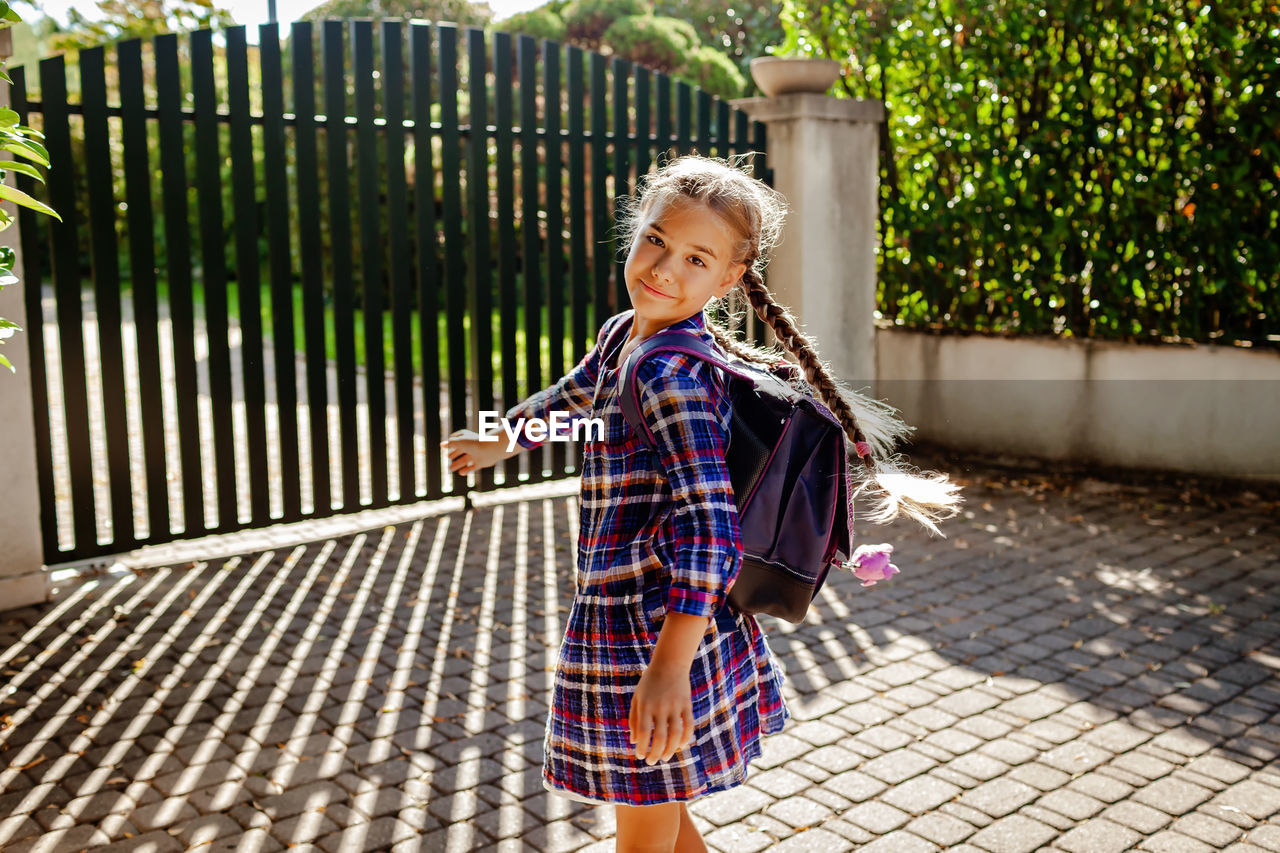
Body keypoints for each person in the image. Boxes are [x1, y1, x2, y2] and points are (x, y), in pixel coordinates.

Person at [443, 155, 960, 852]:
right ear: (635, 232)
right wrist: (504, 439)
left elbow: (712, 529)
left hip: (652, 631)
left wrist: (667, 667)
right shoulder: (625, 337)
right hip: (642, 617)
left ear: (728, 281)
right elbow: (577, 405)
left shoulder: (671, 376)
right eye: (655, 239)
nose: (663, 268)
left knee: (644, 828)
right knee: (666, 814)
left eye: (695, 258)